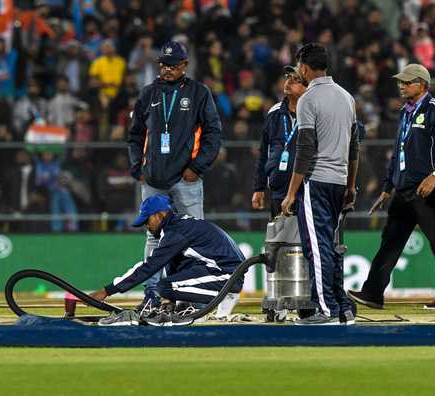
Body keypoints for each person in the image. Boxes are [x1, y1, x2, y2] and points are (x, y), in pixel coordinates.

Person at [349, 64, 435, 310]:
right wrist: (387, 187)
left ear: (422, 84)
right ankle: (372, 293)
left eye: (407, 82)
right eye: (401, 82)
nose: (401, 86)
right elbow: (398, 151)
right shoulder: (405, 112)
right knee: (390, 240)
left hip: (426, 189)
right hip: (402, 190)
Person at [127, 41, 222, 309]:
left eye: (172, 65)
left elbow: (214, 134)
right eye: (163, 64)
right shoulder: (148, 93)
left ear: (184, 65)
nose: (166, 69)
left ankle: (189, 296)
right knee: (154, 237)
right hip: (155, 181)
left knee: (193, 237)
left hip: (186, 179)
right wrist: (138, 168)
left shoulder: (199, 93)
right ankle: (152, 295)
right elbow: (134, 135)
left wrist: (197, 167)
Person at [280, 43, 360, 325]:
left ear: (303, 68)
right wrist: (351, 186)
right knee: (333, 247)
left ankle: (325, 310)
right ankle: (342, 307)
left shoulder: (308, 100)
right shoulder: (347, 98)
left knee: (317, 248)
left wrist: (291, 193)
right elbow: (354, 149)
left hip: (316, 182)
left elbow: (305, 150)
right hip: (340, 182)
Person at [76, 194, 245, 326]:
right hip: (222, 270)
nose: (146, 227)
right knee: (169, 281)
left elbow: (149, 266)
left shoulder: (176, 232)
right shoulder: (178, 226)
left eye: (147, 221)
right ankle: (203, 302)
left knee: (164, 286)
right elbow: (178, 265)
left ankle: (225, 295)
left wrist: (107, 291)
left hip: (226, 275)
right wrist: (172, 301)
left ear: (159, 214)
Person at [252, 65, 307, 218]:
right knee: (279, 240)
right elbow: (264, 151)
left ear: (308, 88)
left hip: (306, 191)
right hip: (278, 190)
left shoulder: (314, 114)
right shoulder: (274, 112)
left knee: (304, 240)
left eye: (296, 80)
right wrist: (259, 187)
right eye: (288, 77)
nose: (289, 82)